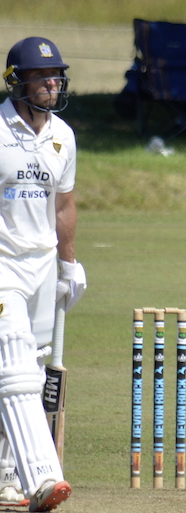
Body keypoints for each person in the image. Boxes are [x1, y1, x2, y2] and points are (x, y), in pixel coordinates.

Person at [0, 37, 87, 511]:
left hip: (41, 264)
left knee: (29, 366)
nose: (53, 83)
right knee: (14, 367)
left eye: (56, 76)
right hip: (2, 264)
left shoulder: (63, 135)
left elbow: (64, 203)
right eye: (42, 76)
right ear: (18, 82)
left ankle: (7, 476)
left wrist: (69, 263)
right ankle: (44, 478)